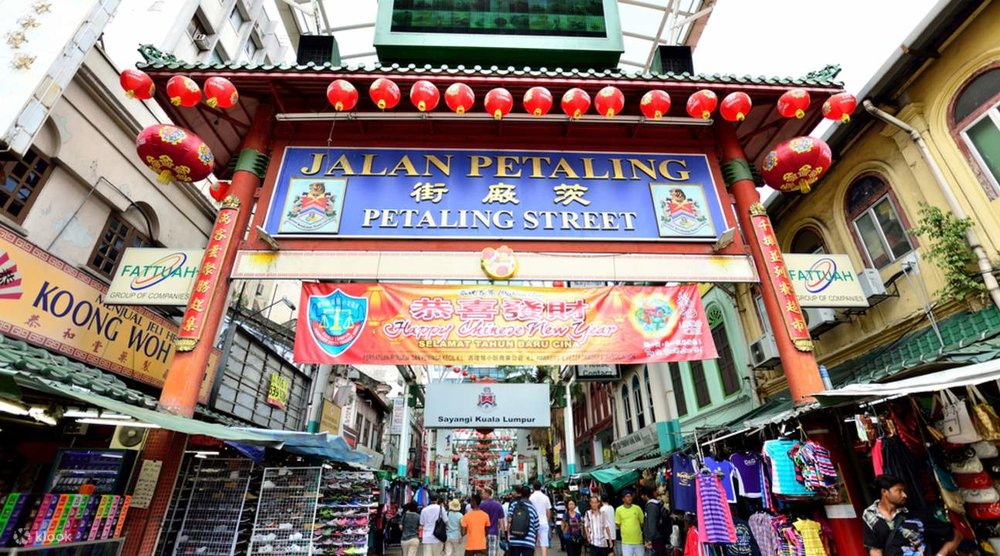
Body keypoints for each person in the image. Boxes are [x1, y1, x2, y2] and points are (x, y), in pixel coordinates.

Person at [862, 475, 962, 556]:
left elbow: (956, 535)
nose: (904, 495)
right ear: (884, 492)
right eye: (899, 491)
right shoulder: (870, 515)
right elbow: (875, 549)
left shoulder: (915, 514)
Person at [508, 486, 540, 556]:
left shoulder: (514, 505)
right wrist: (534, 543)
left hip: (514, 540)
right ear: (529, 495)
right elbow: (536, 528)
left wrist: (508, 535)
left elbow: (509, 520)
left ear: (521, 494)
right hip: (529, 541)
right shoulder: (533, 508)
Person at [640, 486, 667, 556]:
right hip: (657, 537)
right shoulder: (655, 505)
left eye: (642, 495)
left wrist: (649, 540)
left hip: (655, 538)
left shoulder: (651, 506)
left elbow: (651, 524)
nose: (641, 497)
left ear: (645, 495)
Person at [615, 491, 644, 556]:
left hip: (638, 541)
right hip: (626, 542)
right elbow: (618, 524)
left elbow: (642, 523)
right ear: (623, 499)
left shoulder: (637, 508)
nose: (630, 498)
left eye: (630, 496)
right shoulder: (618, 510)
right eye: (627, 496)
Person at [480, 487, 506, 556]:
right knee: (492, 553)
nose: (481, 495)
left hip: (483, 533)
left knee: (482, 553)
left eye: (483, 493)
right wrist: (503, 534)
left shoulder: (481, 505)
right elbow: (501, 521)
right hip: (494, 532)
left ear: (487, 493)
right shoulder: (498, 505)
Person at [529, 481, 553, 556]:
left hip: (533, 523)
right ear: (541, 487)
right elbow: (548, 511)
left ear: (533, 487)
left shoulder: (531, 498)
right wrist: (547, 520)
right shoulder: (545, 497)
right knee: (544, 544)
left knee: (533, 544)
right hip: (543, 522)